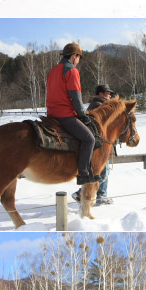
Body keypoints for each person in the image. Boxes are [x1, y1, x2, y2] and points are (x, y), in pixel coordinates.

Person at [46, 43, 99, 185]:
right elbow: (75, 97)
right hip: (65, 115)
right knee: (89, 139)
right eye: (79, 58)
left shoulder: (52, 71)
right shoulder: (72, 71)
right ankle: (83, 174)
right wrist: (83, 115)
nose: (78, 61)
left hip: (51, 114)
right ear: (74, 56)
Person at [72, 85, 116, 206]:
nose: (110, 95)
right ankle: (101, 196)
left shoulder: (96, 104)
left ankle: (82, 193)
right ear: (101, 94)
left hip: (97, 143)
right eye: (108, 93)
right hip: (99, 144)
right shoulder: (99, 105)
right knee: (103, 170)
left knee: (98, 170)